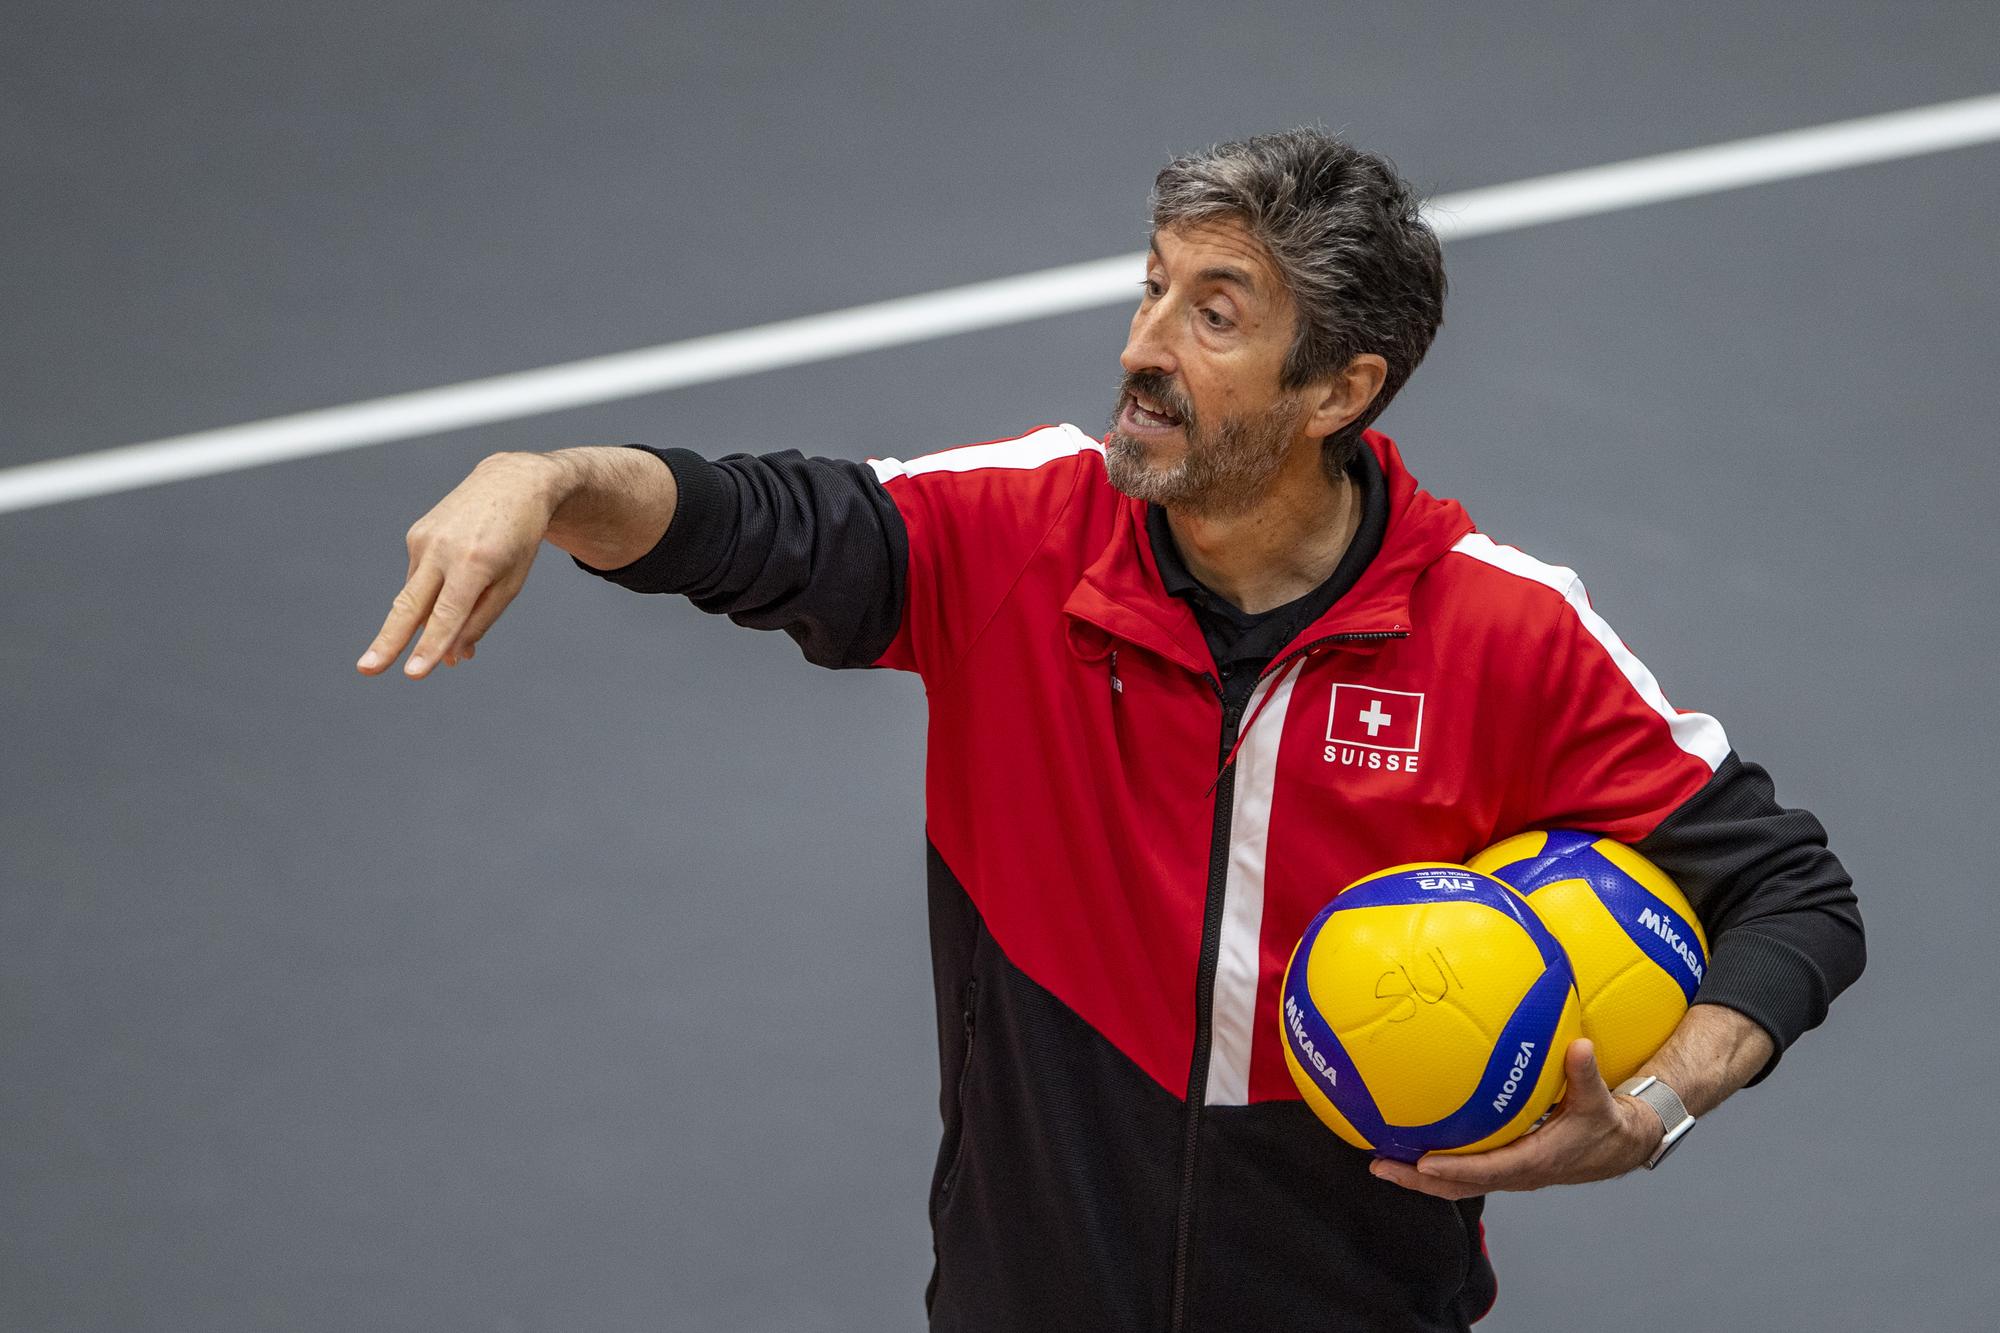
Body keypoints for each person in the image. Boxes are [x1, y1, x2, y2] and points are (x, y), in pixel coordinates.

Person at [357, 129, 1865, 1332]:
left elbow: (1794, 893)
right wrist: (548, 479)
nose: (1146, 343)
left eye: (1217, 314)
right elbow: (750, 522)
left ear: (1343, 386)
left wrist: (1660, 1102)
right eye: (1153, 285)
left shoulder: (1501, 631)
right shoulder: (1015, 536)